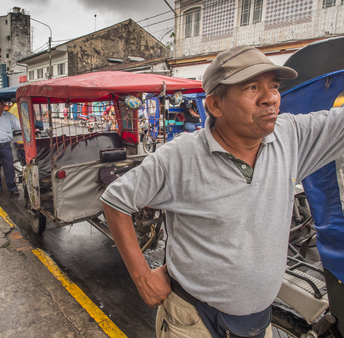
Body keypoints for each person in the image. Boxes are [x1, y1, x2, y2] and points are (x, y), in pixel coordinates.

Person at [101, 45, 344, 337]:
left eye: (274, 87)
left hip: (259, 323)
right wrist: (142, 278)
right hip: (193, 322)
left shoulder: (290, 137)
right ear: (215, 105)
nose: (270, 99)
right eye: (252, 88)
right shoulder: (180, 157)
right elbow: (116, 200)